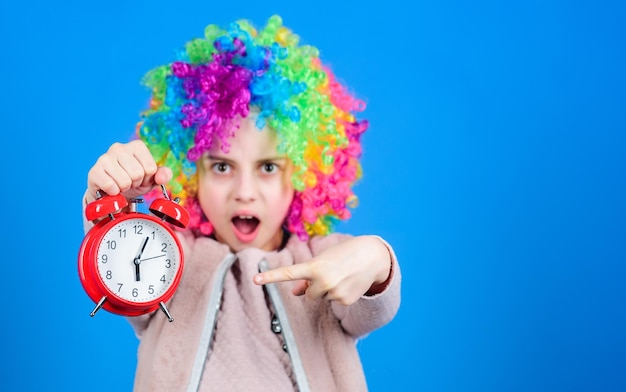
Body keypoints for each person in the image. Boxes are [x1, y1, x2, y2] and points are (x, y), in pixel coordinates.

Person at [82, 15, 401, 392]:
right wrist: (110, 200)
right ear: (191, 173)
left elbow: (370, 303)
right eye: (221, 166)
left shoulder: (322, 262)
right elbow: (117, 265)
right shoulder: (168, 260)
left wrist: (376, 259)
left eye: (268, 166)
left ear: (304, 173)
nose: (244, 191)